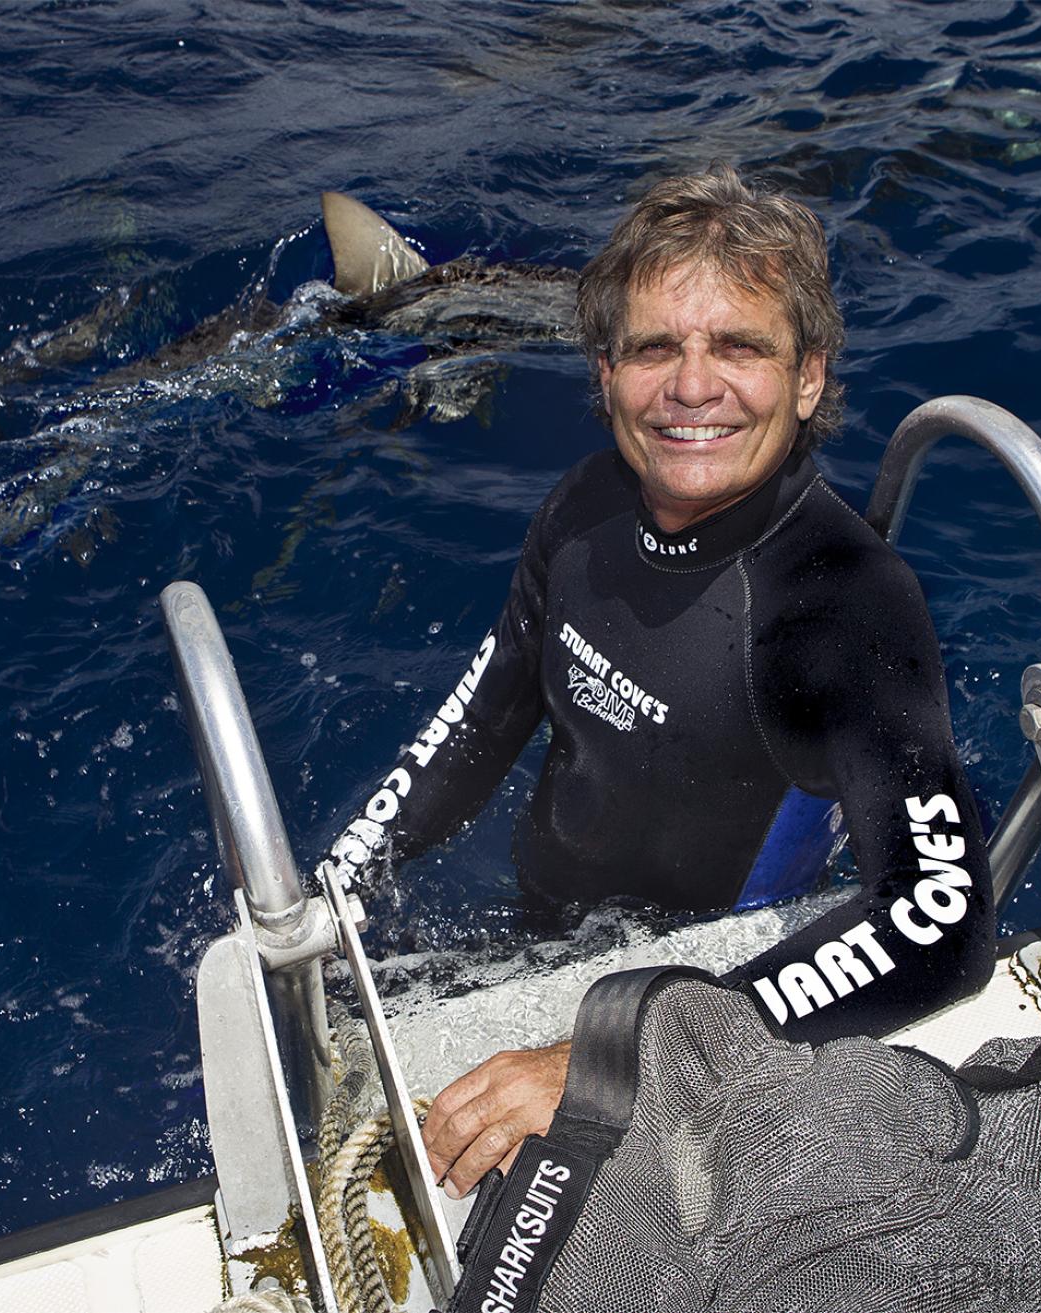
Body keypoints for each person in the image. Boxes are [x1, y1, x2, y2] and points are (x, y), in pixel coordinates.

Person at [326, 164, 994, 1200]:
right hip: (544, 937)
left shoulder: (839, 602)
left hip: (705, 1000)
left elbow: (938, 918)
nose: (691, 387)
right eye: (654, 348)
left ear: (807, 376)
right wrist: (333, 893)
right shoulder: (587, 503)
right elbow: (479, 715)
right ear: (604, 372)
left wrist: (616, 1056)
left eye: (738, 346)